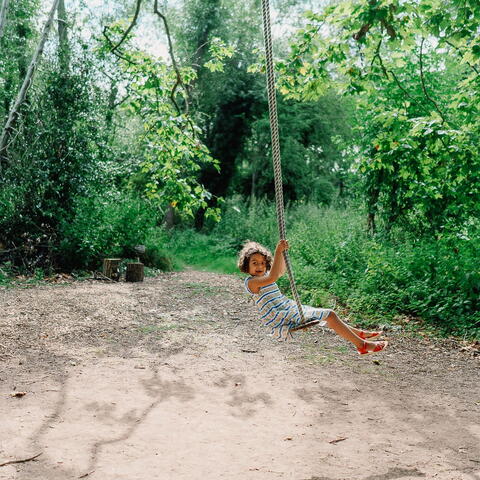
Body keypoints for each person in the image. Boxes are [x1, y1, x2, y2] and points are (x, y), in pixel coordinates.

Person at [238, 239, 388, 355]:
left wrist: (283, 254)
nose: (259, 266)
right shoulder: (252, 283)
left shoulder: (264, 275)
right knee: (330, 314)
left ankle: (360, 334)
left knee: (329, 317)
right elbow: (274, 276)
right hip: (281, 316)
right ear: (246, 265)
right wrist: (278, 251)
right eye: (255, 263)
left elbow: (280, 271)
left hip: (288, 308)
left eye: (263, 263)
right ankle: (362, 345)